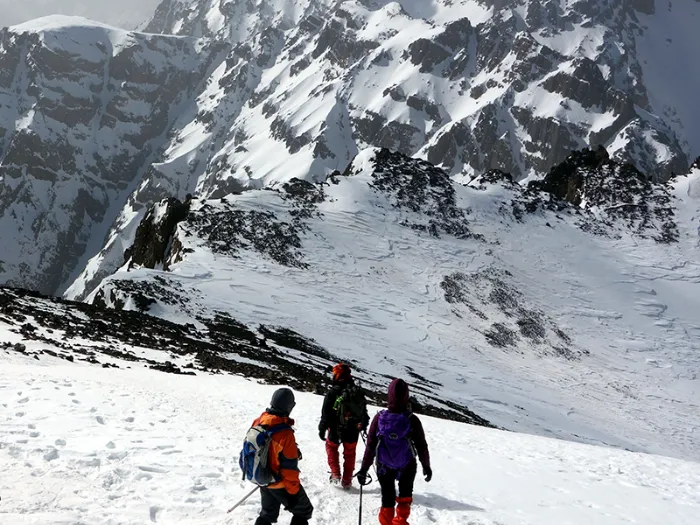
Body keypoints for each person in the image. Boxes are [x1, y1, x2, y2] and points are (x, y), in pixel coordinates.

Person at [356, 379, 431, 525]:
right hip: (407, 465)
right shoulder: (412, 419)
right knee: (404, 498)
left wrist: (364, 469)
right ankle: (400, 521)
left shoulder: (379, 418)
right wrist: (426, 465)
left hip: (384, 465)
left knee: (387, 499)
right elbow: (422, 446)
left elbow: (371, 446)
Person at [252, 388, 313, 525]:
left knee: (267, 514)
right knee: (303, 511)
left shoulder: (259, 421)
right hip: (279, 482)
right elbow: (289, 469)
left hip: (263, 476)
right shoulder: (285, 433)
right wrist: (293, 493)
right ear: (289, 406)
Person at [318, 363, 369, 488]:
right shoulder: (356, 392)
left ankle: (335, 473)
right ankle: (347, 481)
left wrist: (322, 427)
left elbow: (326, 413)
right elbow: (364, 412)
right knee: (350, 454)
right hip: (353, 429)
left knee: (331, 447)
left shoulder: (333, 392)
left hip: (335, 428)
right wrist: (363, 425)